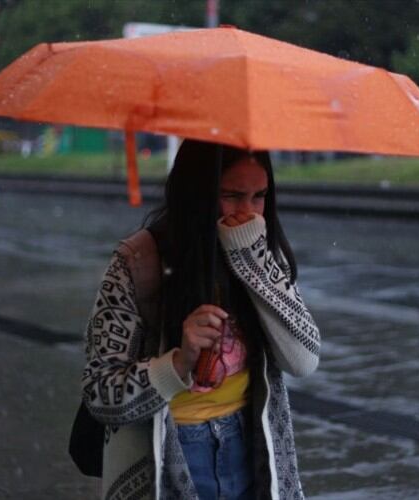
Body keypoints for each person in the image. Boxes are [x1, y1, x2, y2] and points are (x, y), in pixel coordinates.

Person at [81, 139, 320, 499]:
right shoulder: (137, 261)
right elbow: (100, 392)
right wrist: (178, 362)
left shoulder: (261, 249)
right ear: (198, 193)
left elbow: (303, 361)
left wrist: (253, 263)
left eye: (259, 196)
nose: (249, 211)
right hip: (169, 450)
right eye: (232, 195)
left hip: (251, 444)